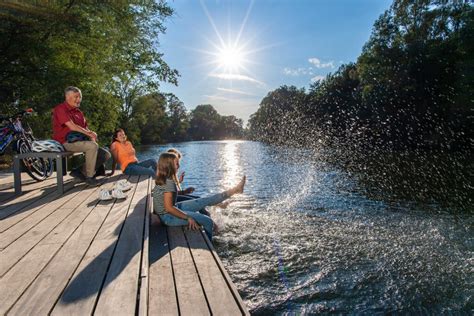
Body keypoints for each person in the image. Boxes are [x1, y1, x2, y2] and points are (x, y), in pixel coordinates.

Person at [153, 152, 245, 241]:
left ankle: (235, 190)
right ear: (169, 166)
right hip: (168, 217)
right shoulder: (168, 183)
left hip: (171, 211)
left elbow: (168, 204)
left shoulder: (165, 179)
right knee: (208, 221)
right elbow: (169, 208)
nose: (179, 166)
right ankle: (210, 245)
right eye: (177, 164)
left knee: (204, 201)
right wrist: (187, 217)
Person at [52, 86, 110, 186]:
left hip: (80, 141)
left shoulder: (79, 112)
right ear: (67, 97)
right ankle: (89, 178)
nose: (79, 99)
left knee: (105, 154)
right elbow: (72, 126)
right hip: (65, 143)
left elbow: (85, 129)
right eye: (76, 97)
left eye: (80, 97)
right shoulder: (60, 109)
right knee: (92, 146)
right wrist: (90, 134)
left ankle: (79, 172)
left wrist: (92, 137)